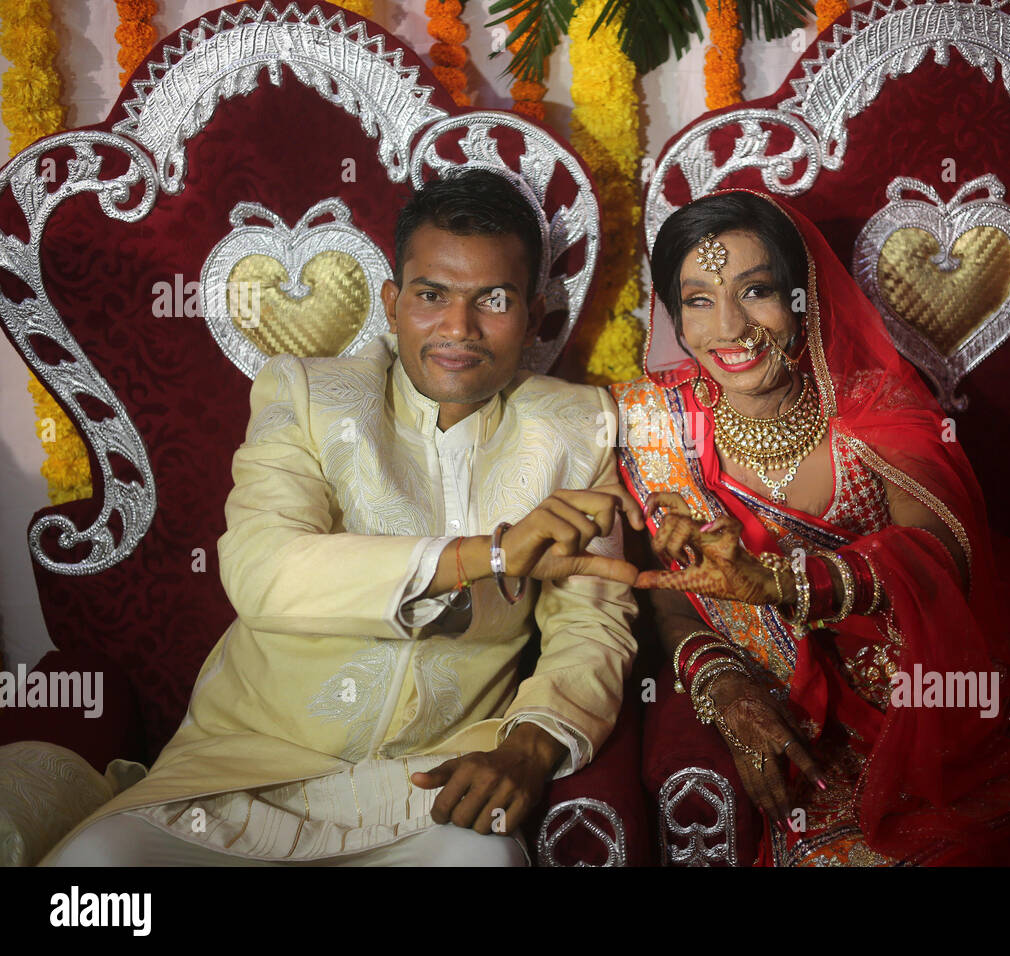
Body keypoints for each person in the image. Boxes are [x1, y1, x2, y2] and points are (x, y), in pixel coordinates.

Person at [43, 169, 643, 866]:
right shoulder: (308, 396)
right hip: (243, 778)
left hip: (431, 788)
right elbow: (263, 570)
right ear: (391, 304)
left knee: (486, 863)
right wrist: (491, 555)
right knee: (89, 880)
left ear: (534, 315)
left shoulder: (576, 428)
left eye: (495, 299)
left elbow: (591, 625)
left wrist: (531, 745)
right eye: (431, 295)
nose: (459, 327)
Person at [612, 188, 1010, 866]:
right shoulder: (652, 426)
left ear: (804, 297)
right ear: (673, 314)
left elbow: (941, 550)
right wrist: (720, 680)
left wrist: (785, 581)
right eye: (698, 300)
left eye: (757, 291)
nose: (729, 327)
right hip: (802, 713)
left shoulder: (877, 408)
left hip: (938, 695)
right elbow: (665, 585)